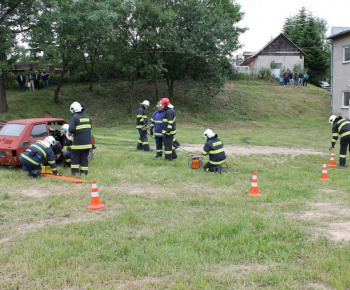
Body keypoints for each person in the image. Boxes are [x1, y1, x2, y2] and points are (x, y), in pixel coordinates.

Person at [69, 101, 92, 175]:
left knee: (75, 158)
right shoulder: (88, 117)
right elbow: (89, 128)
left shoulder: (74, 117)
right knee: (84, 159)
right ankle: (84, 173)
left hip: (78, 144)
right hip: (87, 144)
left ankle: (75, 173)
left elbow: (71, 130)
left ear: (73, 109)